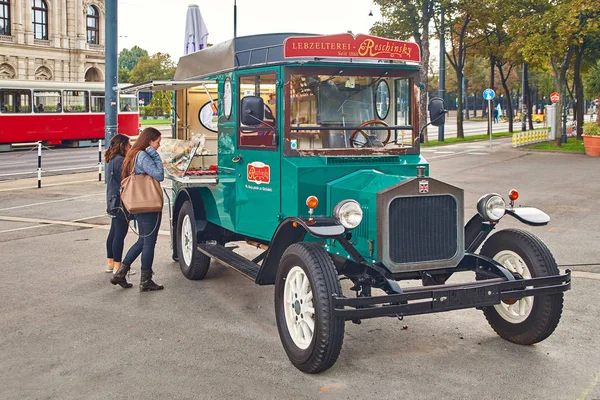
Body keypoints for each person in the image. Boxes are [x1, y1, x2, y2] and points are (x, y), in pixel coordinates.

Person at [110, 127, 165, 291]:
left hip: (139, 204)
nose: (158, 146)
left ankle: (120, 274)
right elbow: (159, 174)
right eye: (157, 142)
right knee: (149, 242)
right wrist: (154, 154)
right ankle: (145, 280)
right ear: (149, 142)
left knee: (142, 240)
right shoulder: (142, 155)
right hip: (147, 204)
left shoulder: (133, 155)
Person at [104, 134, 135, 277]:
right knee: (119, 234)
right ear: (122, 146)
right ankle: (118, 266)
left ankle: (110, 263)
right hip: (120, 201)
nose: (130, 147)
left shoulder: (111, 159)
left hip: (112, 199)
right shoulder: (121, 161)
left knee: (113, 232)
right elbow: (128, 180)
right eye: (129, 144)